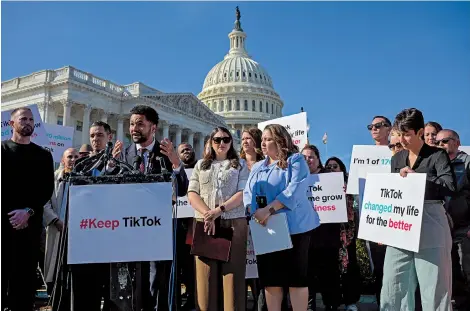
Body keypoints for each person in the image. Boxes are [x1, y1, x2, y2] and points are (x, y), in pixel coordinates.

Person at [112, 105, 189, 311]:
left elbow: (182, 190)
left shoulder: (165, 154)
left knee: (157, 278)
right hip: (130, 226)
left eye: (140, 124)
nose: (134, 129)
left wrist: (175, 163)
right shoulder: (123, 154)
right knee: (133, 278)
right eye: (131, 124)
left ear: (153, 128)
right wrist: (111, 167)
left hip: (158, 226)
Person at [380, 108, 456, 311]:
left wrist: (418, 180)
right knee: (393, 285)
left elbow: (449, 186)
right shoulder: (396, 159)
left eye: (407, 134)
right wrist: (382, 226)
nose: (402, 140)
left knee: (435, 287)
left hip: (431, 221)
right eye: (399, 133)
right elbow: (391, 196)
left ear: (420, 132)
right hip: (401, 224)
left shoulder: (437, 155)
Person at [244, 124, 320, 311]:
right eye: (262, 140)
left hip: (294, 228)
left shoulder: (296, 160)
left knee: (296, 279)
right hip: (266, 228)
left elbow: (294, 190)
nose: (263, 143)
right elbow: (247, 192)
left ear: (280, 140)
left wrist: (268, 210)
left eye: (268, 139)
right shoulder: (257, 166)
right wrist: (254, 211)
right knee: (271, 280)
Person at [188, 126, 249, 311]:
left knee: (233, 279)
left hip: (233, 224)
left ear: (231, 142)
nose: (221, 143)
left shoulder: (240, 164)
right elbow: (192, 193)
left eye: (226, 139)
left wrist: (218, 211)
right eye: (217, 140)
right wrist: (208, 214)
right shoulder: (200, 165)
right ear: (210, 142)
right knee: (205, 279)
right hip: (205, 225)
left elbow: (242, 193)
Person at [2, 107, 54, 311]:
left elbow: (45, 190)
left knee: (23, 285)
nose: (28, 122)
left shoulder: (43, 155)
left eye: (31, 119)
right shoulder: (2, 151)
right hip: (3, 227)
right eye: (23, 119)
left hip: (30, 230)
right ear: (11, 124)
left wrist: (27, 212)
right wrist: (13, 216)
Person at [302, 146, 342, 311]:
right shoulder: (298, 179)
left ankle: (331, 304)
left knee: (329, 272)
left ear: (318, 159)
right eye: (304, 157)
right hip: (306, 234)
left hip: (327, 234)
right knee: (307, 272)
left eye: (311, 157)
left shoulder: (329, 177)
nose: (308, 160)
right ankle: (309, 305)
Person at [436, 129, 470, 310]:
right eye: (438, 142)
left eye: (445, 141)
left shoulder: (467, 162)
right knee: (452, 273)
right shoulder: (435, 165)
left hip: (464, 229)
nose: (440, 145)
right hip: (442, 229)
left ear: (457, 143)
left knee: (467, 270)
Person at [324, 157, 361, 311]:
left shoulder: (350, 186)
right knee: (330, 269)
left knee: (349, 267)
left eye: (335, 166)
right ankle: (332, 302)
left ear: (342, 169)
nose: (331, 169)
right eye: (329, 167)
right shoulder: (321, 186)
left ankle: (350, 302)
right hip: (328, 234)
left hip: (347, 233)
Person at [43, 148, 79, 294]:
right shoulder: (52, 178)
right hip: (57, 229)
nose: (73, 159)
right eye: (70, 156)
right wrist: (55, 220)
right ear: (63, 160)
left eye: (76, 156)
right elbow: (44, 203)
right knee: (54, 265)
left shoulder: (85, 179)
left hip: (76, 232)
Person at [365, 115, 391, 306]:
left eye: (378, 125)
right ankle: (383, 303)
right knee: (379, 266)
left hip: (396, 212)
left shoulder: (397, 152)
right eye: (371, 126)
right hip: (374, 215)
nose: (374, 129)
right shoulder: (364, 156)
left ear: (389, 129)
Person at [176, 142, 198, 310]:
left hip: (195, 225)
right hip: (177, 226)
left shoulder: (201, 169)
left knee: (192, 268)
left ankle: (193, 298)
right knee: (179, 266)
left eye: (189, 150)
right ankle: (176, 299)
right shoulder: (174, 172)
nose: (187, 153)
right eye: (183, 151)